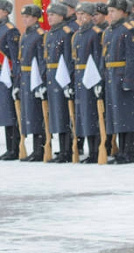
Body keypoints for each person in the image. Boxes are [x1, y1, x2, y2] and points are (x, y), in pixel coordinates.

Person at [101, 0, 134, 164]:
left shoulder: (128, 30)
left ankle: (129, 152)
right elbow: (104, 57)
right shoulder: (109, 31)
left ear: (123, 12)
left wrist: (129, 79)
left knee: (128, 116)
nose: (110, 14)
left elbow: (133, 57)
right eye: (109, 11)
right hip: (112, 76)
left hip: (123, 76)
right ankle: (121, 151)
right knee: (117, 117)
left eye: (114, 11)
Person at [71, 2, 102, 164]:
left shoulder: (95, 33)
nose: (80, 17)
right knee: (82, 115)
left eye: (84, 14)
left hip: (90, 77)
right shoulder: (77, 34)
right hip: (79, 77)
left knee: (91, 115)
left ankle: (96, 151)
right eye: (78, 14)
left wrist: (98, 81)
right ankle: (89, 150)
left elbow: (98, 57)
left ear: (91, 16)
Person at [44, 3, 74, 164]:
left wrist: (68, 80)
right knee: (55, 114)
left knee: (63, 114)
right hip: (51, 77)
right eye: (49, 15)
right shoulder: (49, 34)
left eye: (53, 15)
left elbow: (69, 59)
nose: (50, 18)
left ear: (62, 16)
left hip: (61, 77)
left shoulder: (66, 33)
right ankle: (61, 149)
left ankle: (67, 150)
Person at [17, 4, 47, 163]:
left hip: (34, 77)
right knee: (29, 114)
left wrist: (41, 81)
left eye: (27, 17)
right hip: (25, 77)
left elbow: (42, 60)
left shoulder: (39, 35)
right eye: (23, 17)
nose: (24, 19)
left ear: (36, 18)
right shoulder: (25, 35)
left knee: (36, 114)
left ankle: (40, 149)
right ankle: (34, 149)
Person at [0, 0, 20, 161]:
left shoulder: (10, 31)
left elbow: (14, 57)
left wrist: (16, 77)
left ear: (6, 12)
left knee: (11, 113)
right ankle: (9, 147)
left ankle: (15, 148)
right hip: (1, 75)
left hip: (7, 75)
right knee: (5, 113)